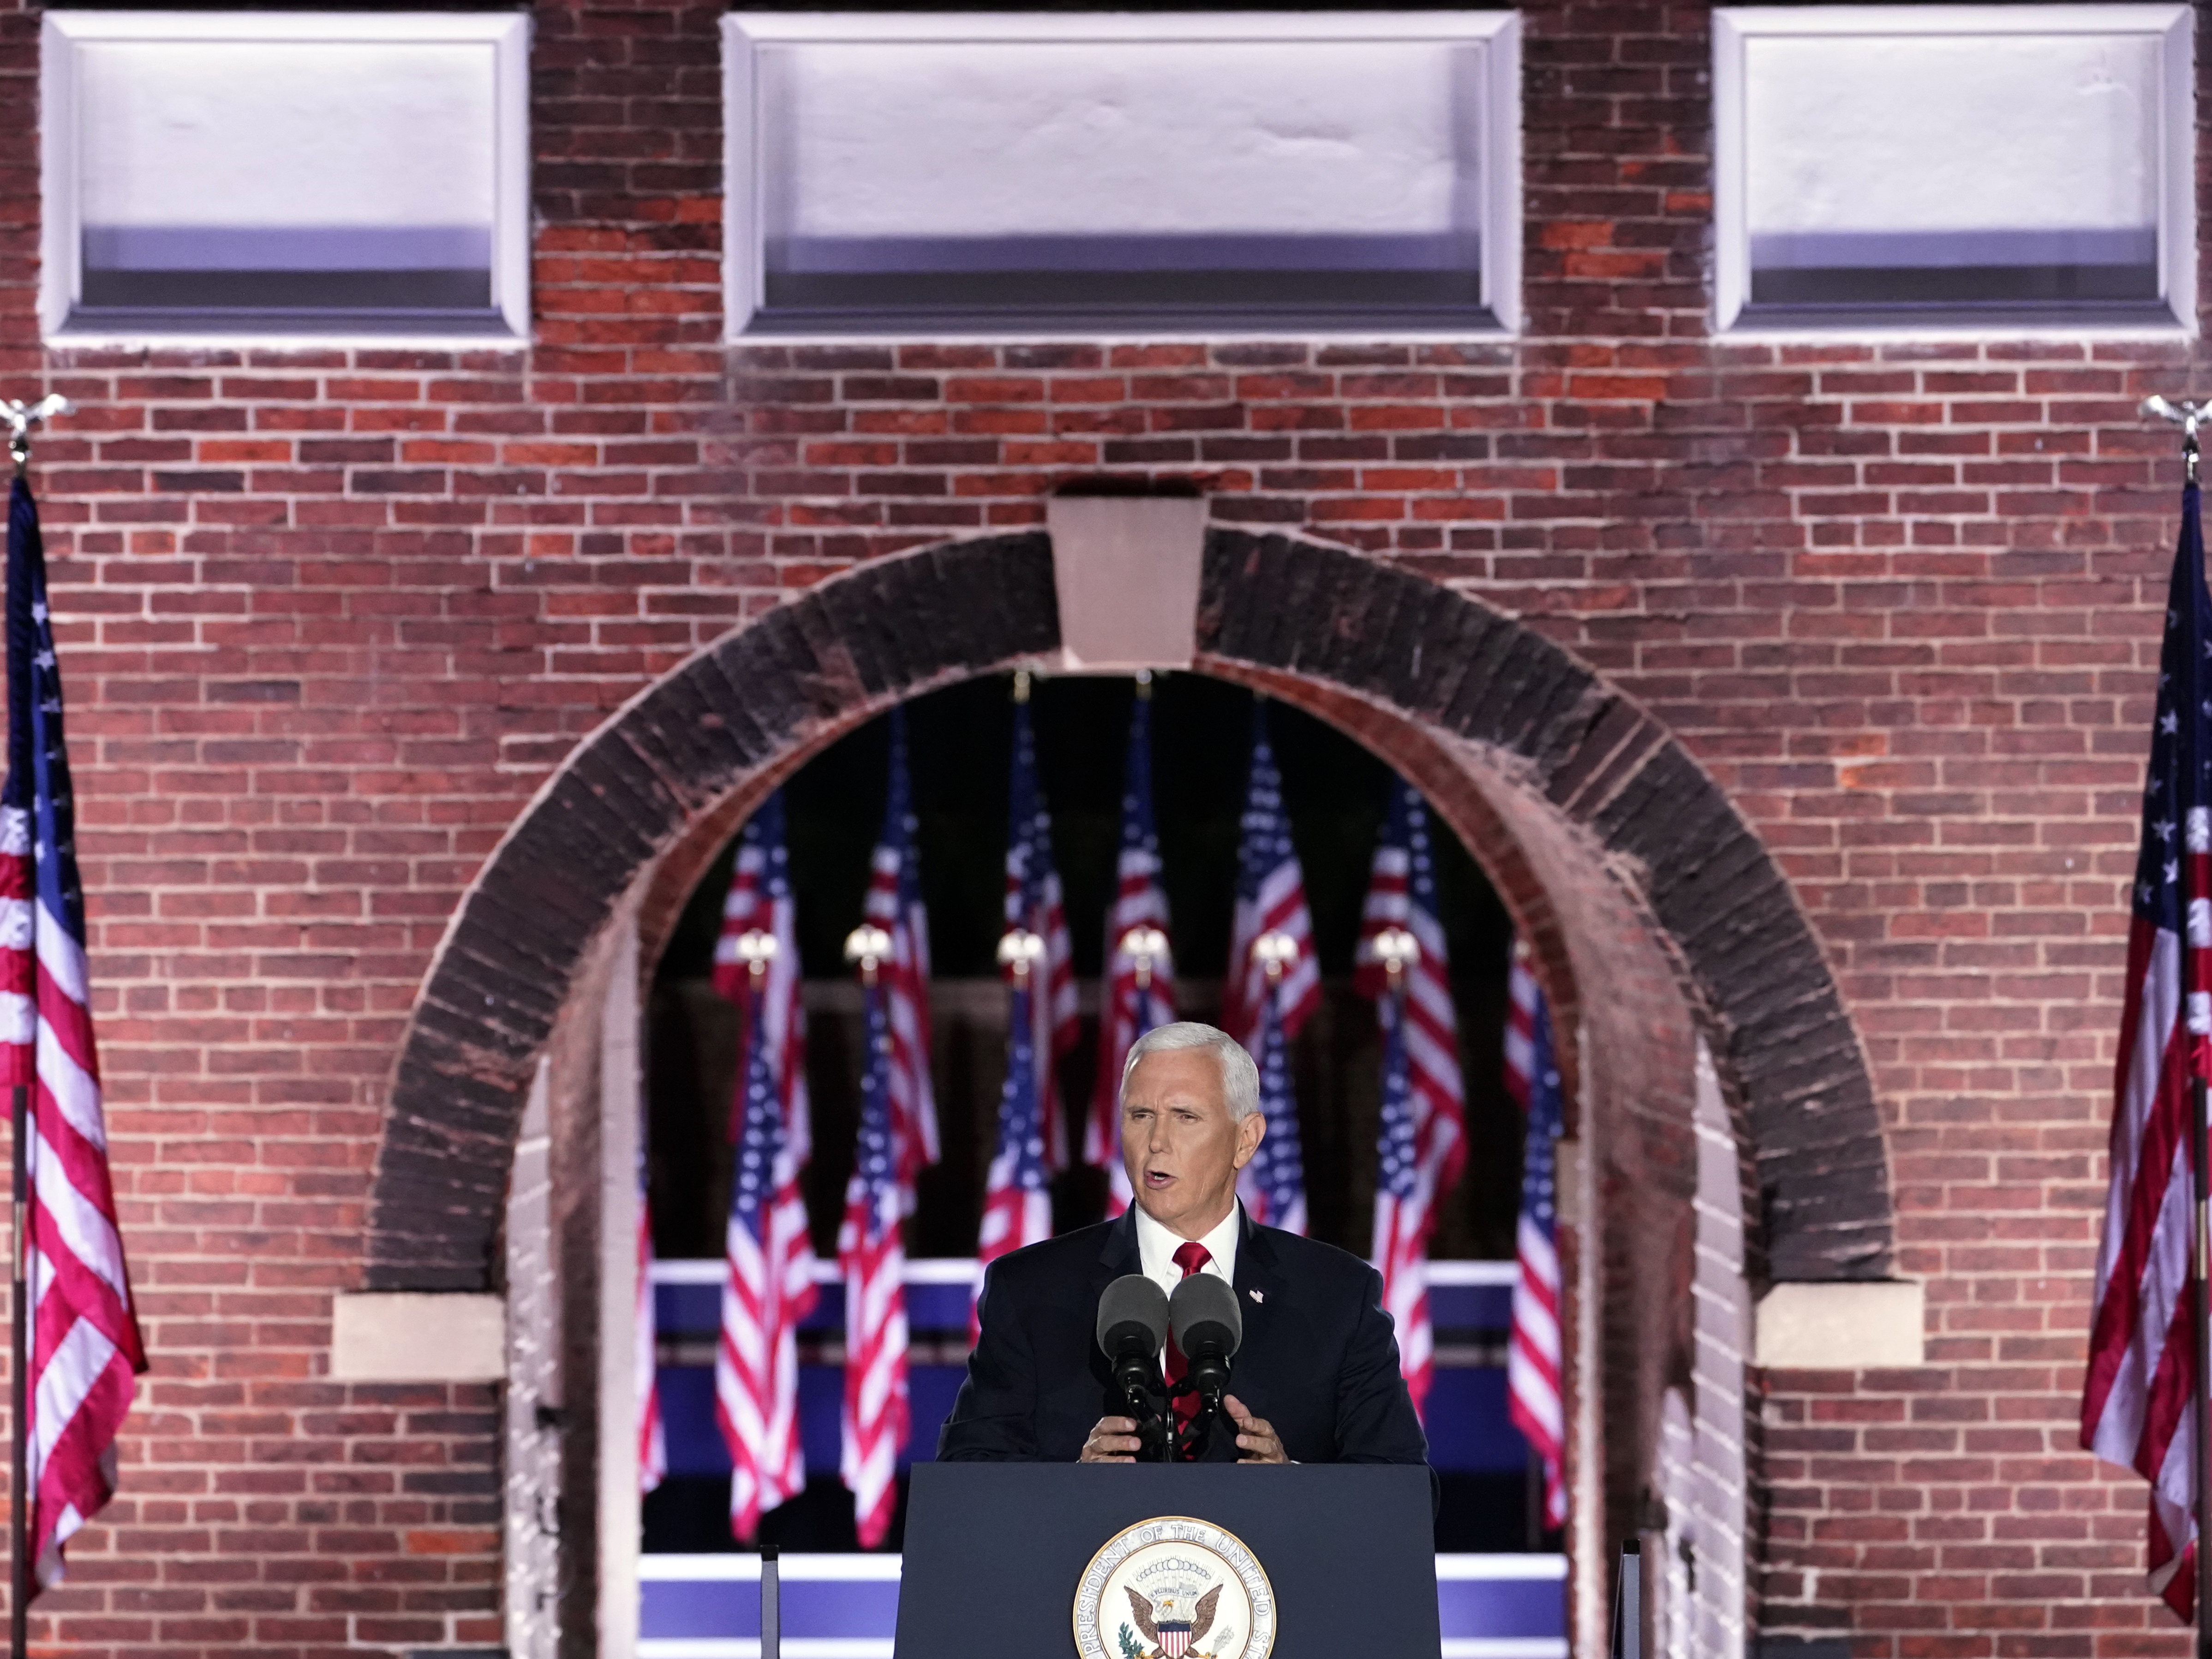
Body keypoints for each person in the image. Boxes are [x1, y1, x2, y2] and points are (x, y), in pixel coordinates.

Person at [939, 1021, 1430, 1469]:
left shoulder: (1338, 1296)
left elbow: (1403, 1489)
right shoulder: (1029, 1290)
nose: (1156, 1142)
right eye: (1140, 1114)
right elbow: (967, 1474)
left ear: (1246, 1139)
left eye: (1185, 1117)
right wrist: (1071, 1491)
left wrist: (1296, 1490)